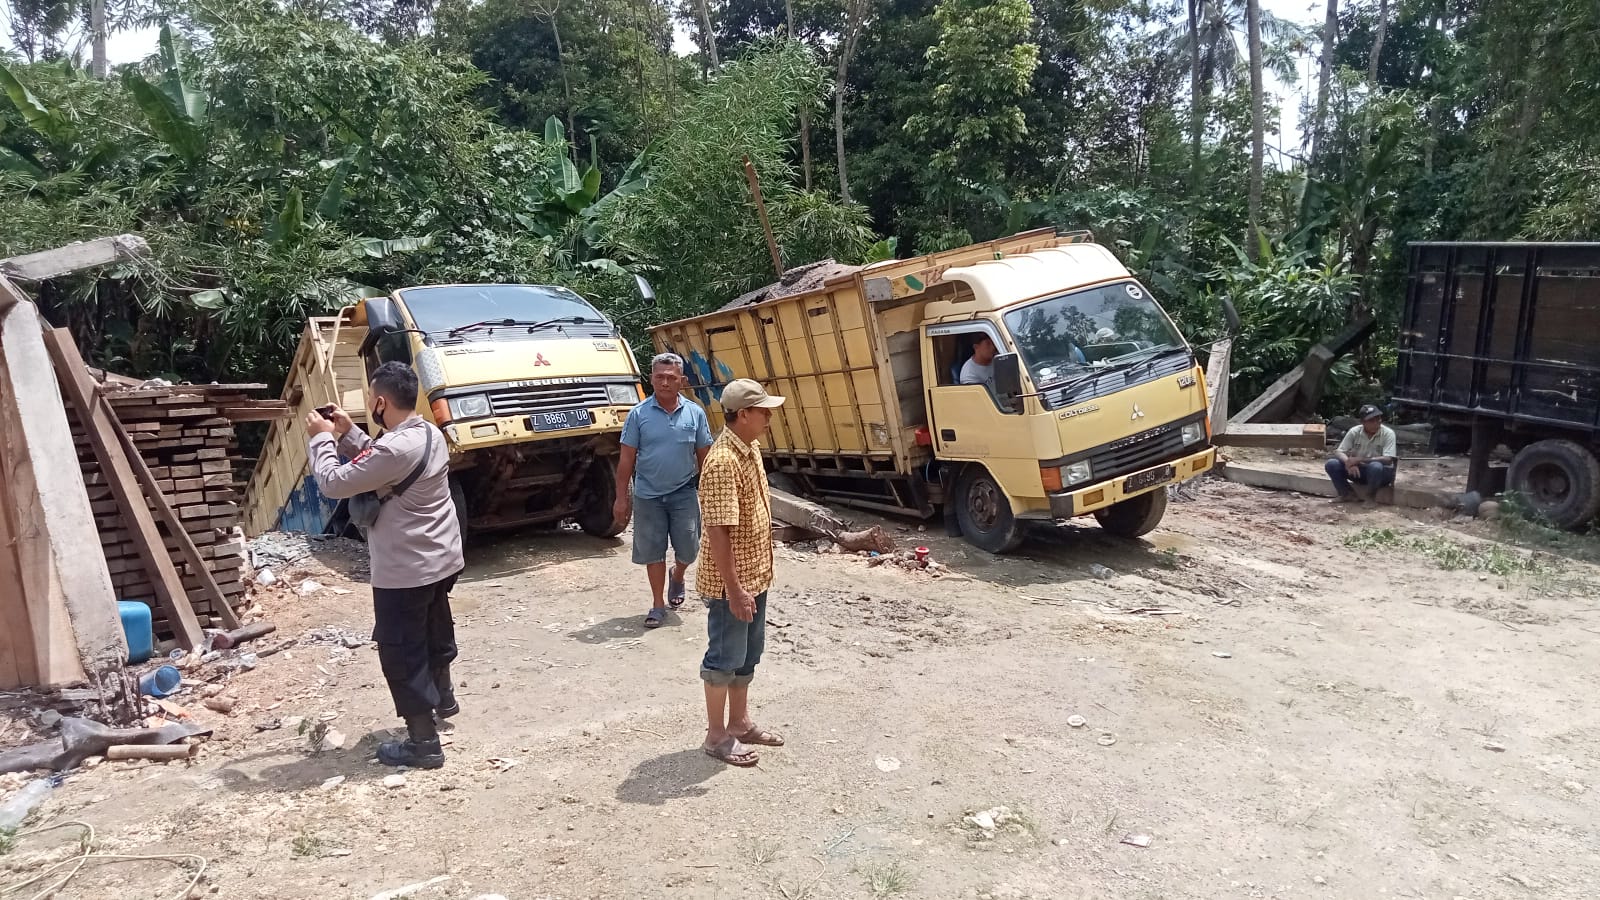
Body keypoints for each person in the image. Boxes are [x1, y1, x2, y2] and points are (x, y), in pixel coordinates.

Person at [305, 361, 464, 769]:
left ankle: (423, 743)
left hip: (405, 568)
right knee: (433, 626)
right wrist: (347, 432)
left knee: (401, 650)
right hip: (441, 557)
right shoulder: (428, 432)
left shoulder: (394, 447)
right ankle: (443, 698)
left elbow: (334, 483)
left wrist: (322, 440)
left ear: (379, 402)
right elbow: (384, 461)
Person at [697, 378, 787, 767]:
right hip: (729, 583)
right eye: (763, 410)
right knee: (724, 658)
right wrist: (733, 589)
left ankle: (740, 722)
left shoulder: (749, 449)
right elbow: (718, 530)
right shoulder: (722, 462)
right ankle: (716, 736)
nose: (769, 416)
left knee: (748, 655)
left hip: (754, 575)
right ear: (743, 414)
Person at [613, 353, 714, 628]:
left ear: (682, 380)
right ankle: (658, 604)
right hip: (648, 495)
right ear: (652, 379)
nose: (665, 382)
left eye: (671, 378)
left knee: (690, 549)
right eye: (660, 377)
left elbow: (705, 456)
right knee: (653, 551)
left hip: (683, 491)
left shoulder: (695, 413)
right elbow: (626, 460)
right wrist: (621, 498)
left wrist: (709, 493)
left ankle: (678, 574)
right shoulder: (638, 415)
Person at [1326, 404, 1398, 503]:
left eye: (1378, 419)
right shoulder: (1354, 431)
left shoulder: (1388, 433)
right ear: (1363, 422)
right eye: (1372, 420)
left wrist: (1360, 459)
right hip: (1359, 471)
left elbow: (1388, 459)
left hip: (1380, 474)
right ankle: (1346, 494)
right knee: (1331, 464)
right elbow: (1339, 451)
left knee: (1375, 466)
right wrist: (1349, 462)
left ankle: (1370, 498)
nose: (1377, 422)